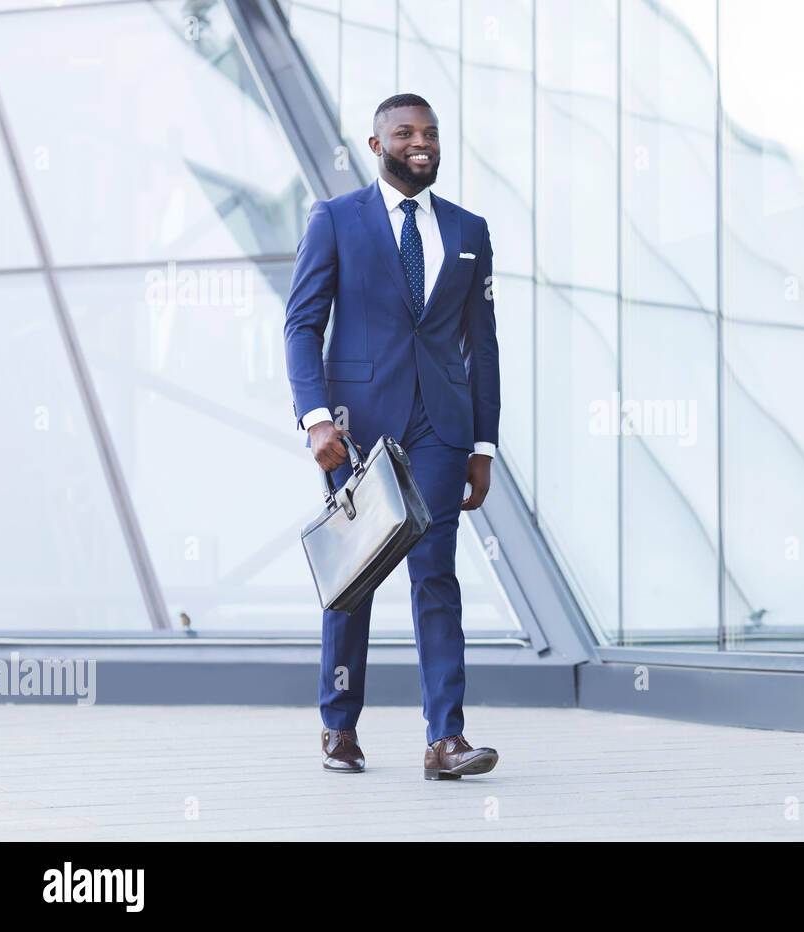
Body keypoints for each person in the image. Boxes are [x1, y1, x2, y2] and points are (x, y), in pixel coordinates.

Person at [283, 92, 500, 780]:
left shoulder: (469, 230)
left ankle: (446, 740)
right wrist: (315, 417)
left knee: (435, 573)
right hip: (355, 429)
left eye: (431, 132)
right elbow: (301, 325)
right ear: (376, 146)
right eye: (405, 132)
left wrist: (483, 446)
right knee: (356, 577)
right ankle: (339, 724)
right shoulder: (336, 219)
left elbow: (482, 347)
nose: (422, 142)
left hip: (440, 426)